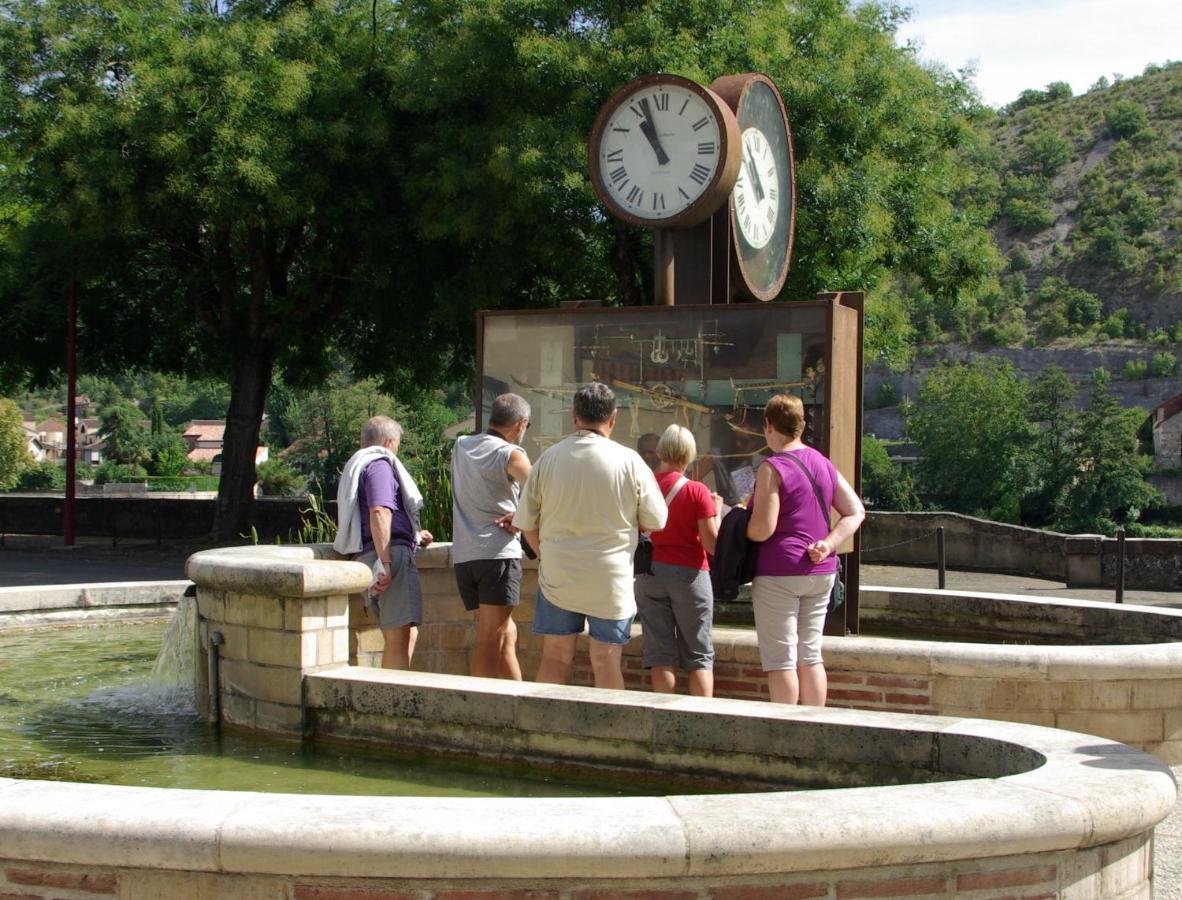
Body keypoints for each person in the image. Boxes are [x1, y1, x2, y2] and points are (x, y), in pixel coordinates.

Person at [514, 383, 667, 689]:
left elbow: (527, 523)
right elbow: (657, 520)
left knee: (555, 658)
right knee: (606, 659)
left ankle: (542, 730)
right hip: (610, 578)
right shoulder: (630, 461)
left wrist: (546, 554)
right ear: (613, 418)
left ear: (574, 417)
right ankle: (612, 733)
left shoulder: (548, 459)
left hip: (558, 573)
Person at [745, 395, 864, 706]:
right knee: (810, 653)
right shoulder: (823, 463)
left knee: (781, 658)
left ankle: (785, 733)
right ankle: (815, 727)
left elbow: (763, 529)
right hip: (821, 571)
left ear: (768, 426)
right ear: (802, 426)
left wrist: (732, 518)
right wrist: (829, 544)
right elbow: (855, 511)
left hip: (779, 572)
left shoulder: (772, 467)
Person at [334, 416, 433, 670]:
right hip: (387, 557)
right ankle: (395, 703)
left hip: (371, 553)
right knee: (398, 637)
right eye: (397, 444)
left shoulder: (360, 464)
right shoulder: (379, 464)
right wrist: (386, 562)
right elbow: (379, 511)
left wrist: (414, 533)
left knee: (405, 633)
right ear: (389, 442)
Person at [634, 424, 722, 697]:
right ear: (690, 455)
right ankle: (702, 721)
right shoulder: (697, 492)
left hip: (649, 573)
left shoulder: (643, 486)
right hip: (690, 574)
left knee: (659, 654)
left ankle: (664, 722)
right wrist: (716, 511)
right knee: (699, 656)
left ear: (661, 451)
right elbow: (712, 544)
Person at [451, 393, 532, 680]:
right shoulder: (510, 454)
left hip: (465, 557)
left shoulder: (461, 446)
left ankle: (518, 700)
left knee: (506, 633)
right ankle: (479, 709)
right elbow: (540, 492)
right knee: (489, 639)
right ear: (520, 424)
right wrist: (520, 518)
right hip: (497, 555)